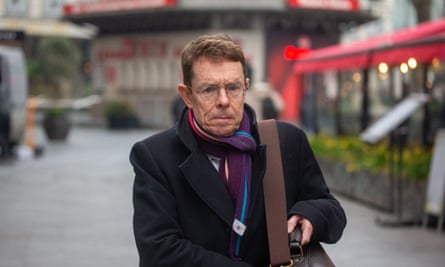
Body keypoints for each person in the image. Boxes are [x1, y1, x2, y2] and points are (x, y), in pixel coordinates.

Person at [130, 33, 346, 267]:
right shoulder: (155, 156)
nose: (223, 100)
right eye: (209, 90)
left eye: (232, 87)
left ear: (245, 88)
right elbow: (158, 253)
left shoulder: (285, 141)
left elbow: (332, 211)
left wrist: (309, 214)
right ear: (187, 95)